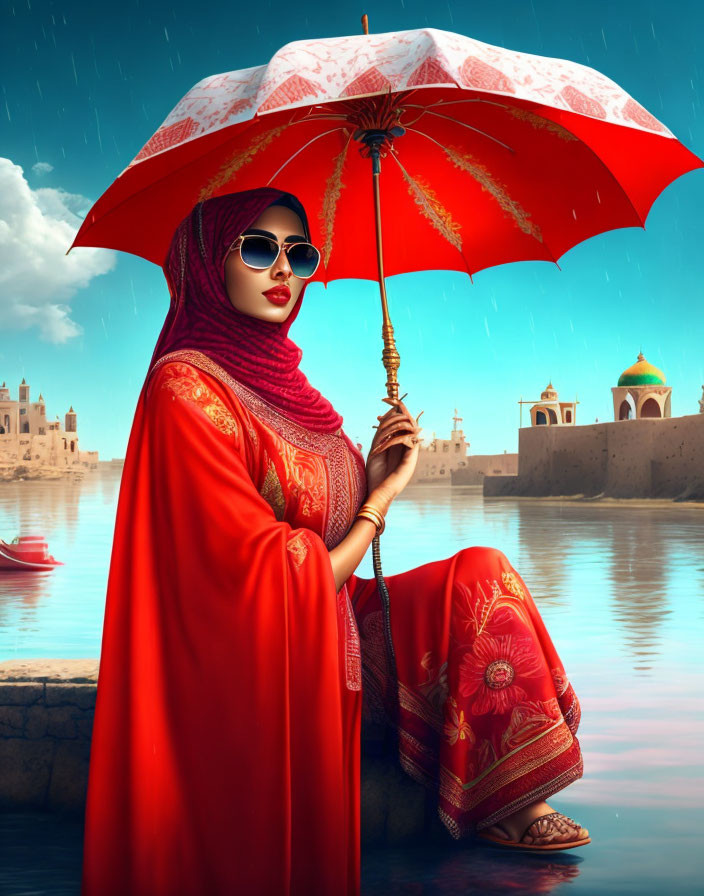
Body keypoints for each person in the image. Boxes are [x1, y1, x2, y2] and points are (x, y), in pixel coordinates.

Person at [81, 187, 588, 896]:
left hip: (331, 622)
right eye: (258, 249)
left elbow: (330, 540)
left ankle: (509, 799)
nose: (284, 270)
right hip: (255, 655)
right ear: (206, 263)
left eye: (301, 253)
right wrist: (380, 504)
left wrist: (376, 471)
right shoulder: (186, 389)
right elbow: (272, 578)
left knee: (481, 571)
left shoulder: (290, 387)